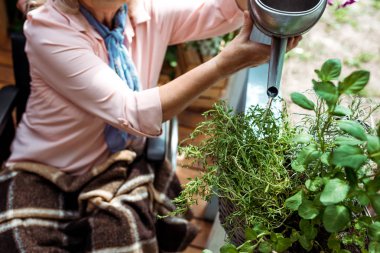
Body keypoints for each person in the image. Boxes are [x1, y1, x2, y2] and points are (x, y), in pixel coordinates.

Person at [1, 0, 302, 252]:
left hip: (116, 162)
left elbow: (216, 11)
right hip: (46, 168)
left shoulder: (142, 9)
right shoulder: (49, 29)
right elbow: (131, 112)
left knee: (125, 239)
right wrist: (224, 64)